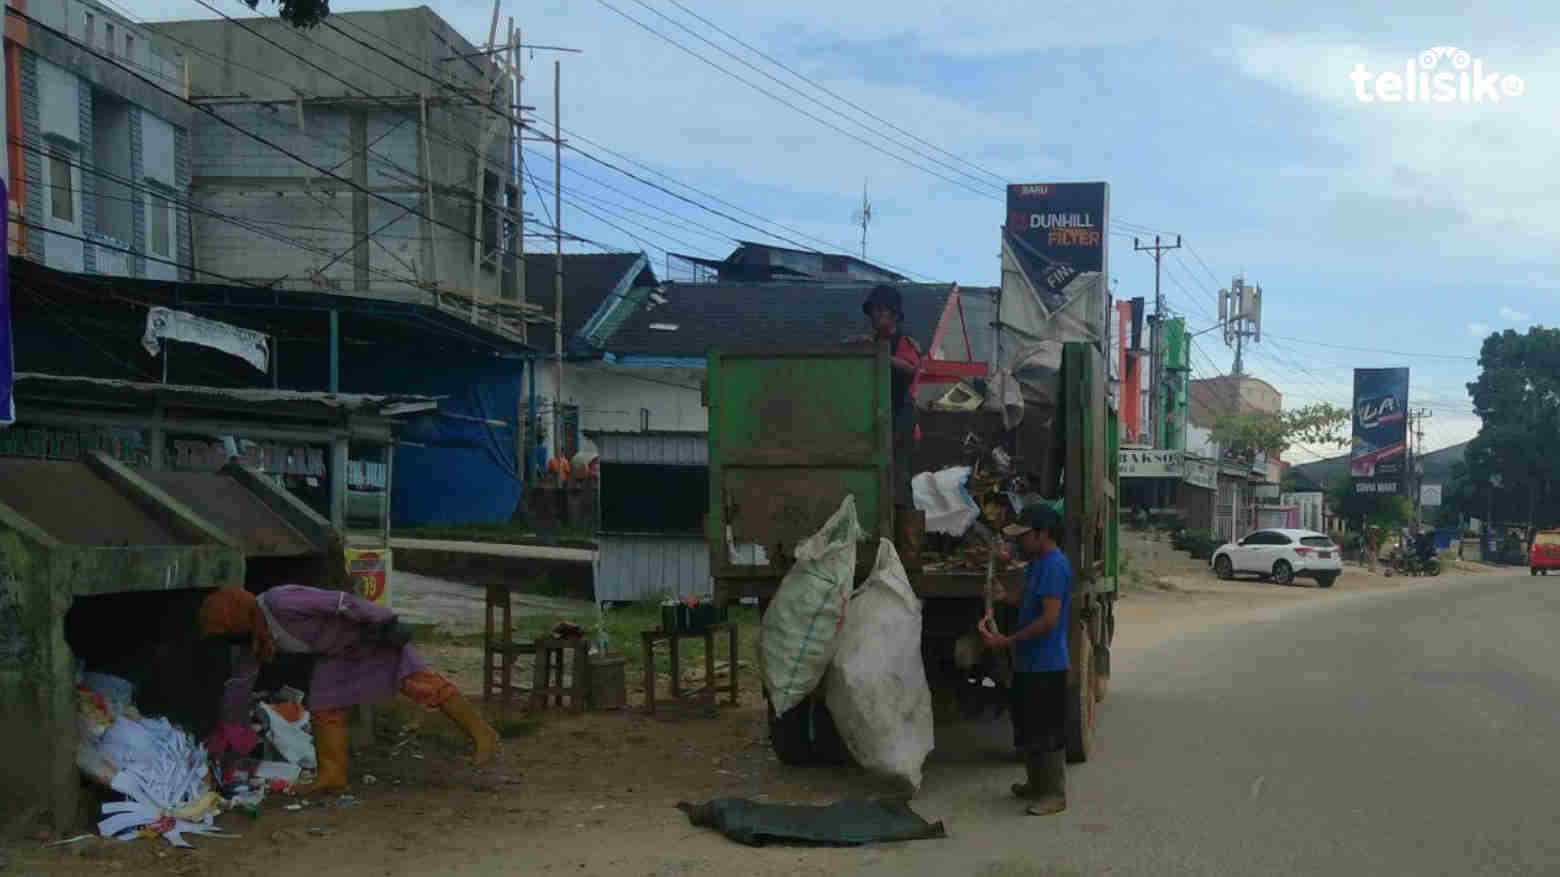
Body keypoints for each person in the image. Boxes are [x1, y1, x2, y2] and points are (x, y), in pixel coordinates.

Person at [198, 585, 499, 794]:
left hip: (369, 635)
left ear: (242, 617)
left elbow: (340, 601)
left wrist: (384, 621)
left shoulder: (279, 602)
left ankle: (482, 733)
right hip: (335, 654)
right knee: (324, 708)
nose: (233, 640)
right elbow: (240, 685)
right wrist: (229, 729)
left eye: (232, 632)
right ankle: (332, 776)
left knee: (419, 684)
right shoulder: (255, 638)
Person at [979, 504, 1071, 816]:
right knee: (1029, 726)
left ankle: (1055, 794)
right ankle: (1035, 785)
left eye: (1024, 536)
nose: (1020, 543)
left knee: (1048, 731)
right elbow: (1030, 600)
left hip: (1047, 663)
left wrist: (1008, 641)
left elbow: (1049, 619)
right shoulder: (1037, 564)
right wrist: (1006, 597)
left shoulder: (1055, 566)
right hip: (1029, 662)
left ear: (1041, 534)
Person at [844, 284, 922, 508]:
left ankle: (905, 537)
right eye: (873, 311)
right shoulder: (872, 341)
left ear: (895, 315)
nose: (875, 316)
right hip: (879, 416)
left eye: (881, 311)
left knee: (896, 478)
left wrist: (879, 353)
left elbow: (909, 367)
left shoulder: (904, 343)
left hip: (901, 419)